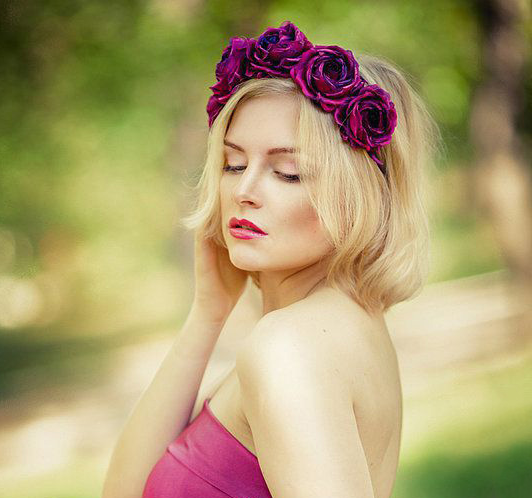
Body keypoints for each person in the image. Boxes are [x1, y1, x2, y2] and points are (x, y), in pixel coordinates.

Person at [102, 20, 441, 498]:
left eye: (288, 172)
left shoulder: (289, 348)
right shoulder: (342, 326)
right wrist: (208, 313)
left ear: (359, 195)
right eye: (234, 163)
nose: (243, 190)